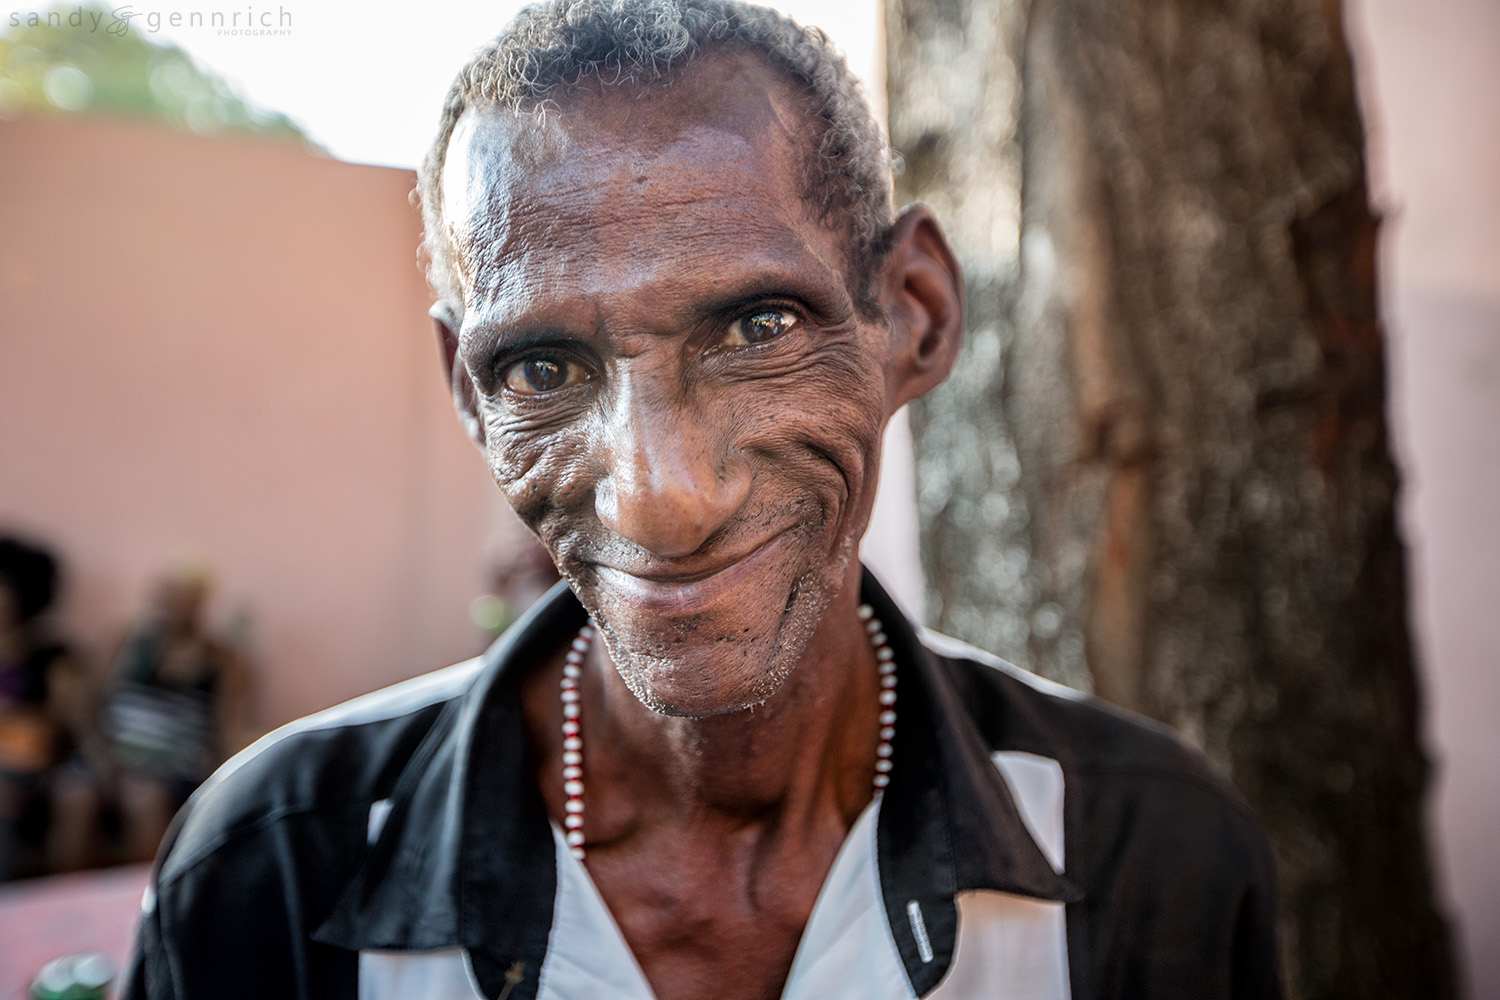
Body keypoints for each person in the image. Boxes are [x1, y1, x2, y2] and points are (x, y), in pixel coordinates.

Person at [124, 2, 1281, 997]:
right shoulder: (270, 869)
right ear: (469, 395)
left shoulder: (1148, 855)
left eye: (757, 328)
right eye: (542, 366)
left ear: (913, 316)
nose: (658, 497)